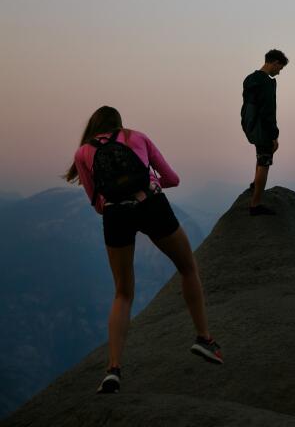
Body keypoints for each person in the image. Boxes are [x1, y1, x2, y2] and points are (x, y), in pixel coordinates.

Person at [64, 106, 223, 394]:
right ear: (118, 124)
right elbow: (173, 178)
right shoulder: (137, 137)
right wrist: (149, 186)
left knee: (123, 292)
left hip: (115, 217)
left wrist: (119, 201)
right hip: (152, 206)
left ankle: (113, 369)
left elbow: (97, 203)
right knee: (188, 268)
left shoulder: (83, 153)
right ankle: (204, 339)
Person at [241, 49, 288, 216]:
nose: (279, 72)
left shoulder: (250, 79)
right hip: (263, 128)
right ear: (274, 62)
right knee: (264, 163)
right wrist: (274, 135)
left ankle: (255, 184)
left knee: (261, 155)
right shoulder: (267, 83)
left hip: (250, 124)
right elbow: (269, 111)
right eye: (280, 68)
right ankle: (256, 204)